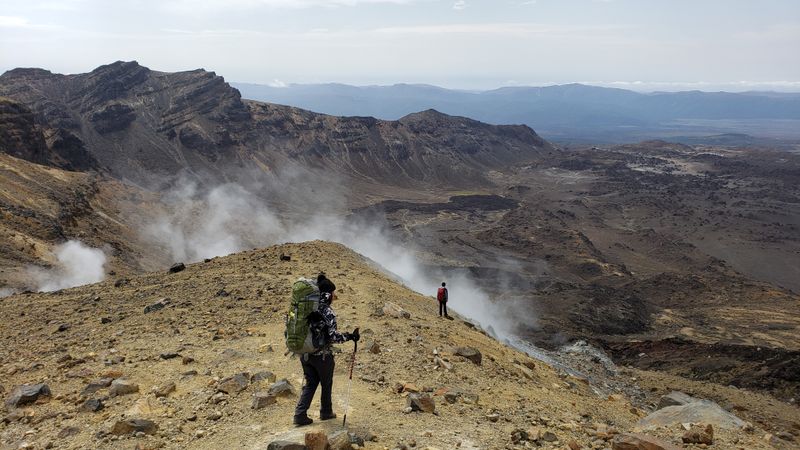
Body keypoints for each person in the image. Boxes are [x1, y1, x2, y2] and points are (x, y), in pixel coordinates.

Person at [293, 273, 360, 426]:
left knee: (310, 383)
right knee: (326, 382)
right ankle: (326, 412)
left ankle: (300, 414)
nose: (334, 296)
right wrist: (350, 336)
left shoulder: (307, 309)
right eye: (333, 293)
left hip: (304, 354)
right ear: (327, 294)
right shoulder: (327, 311)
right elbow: (333, 337)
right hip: (322, 356)